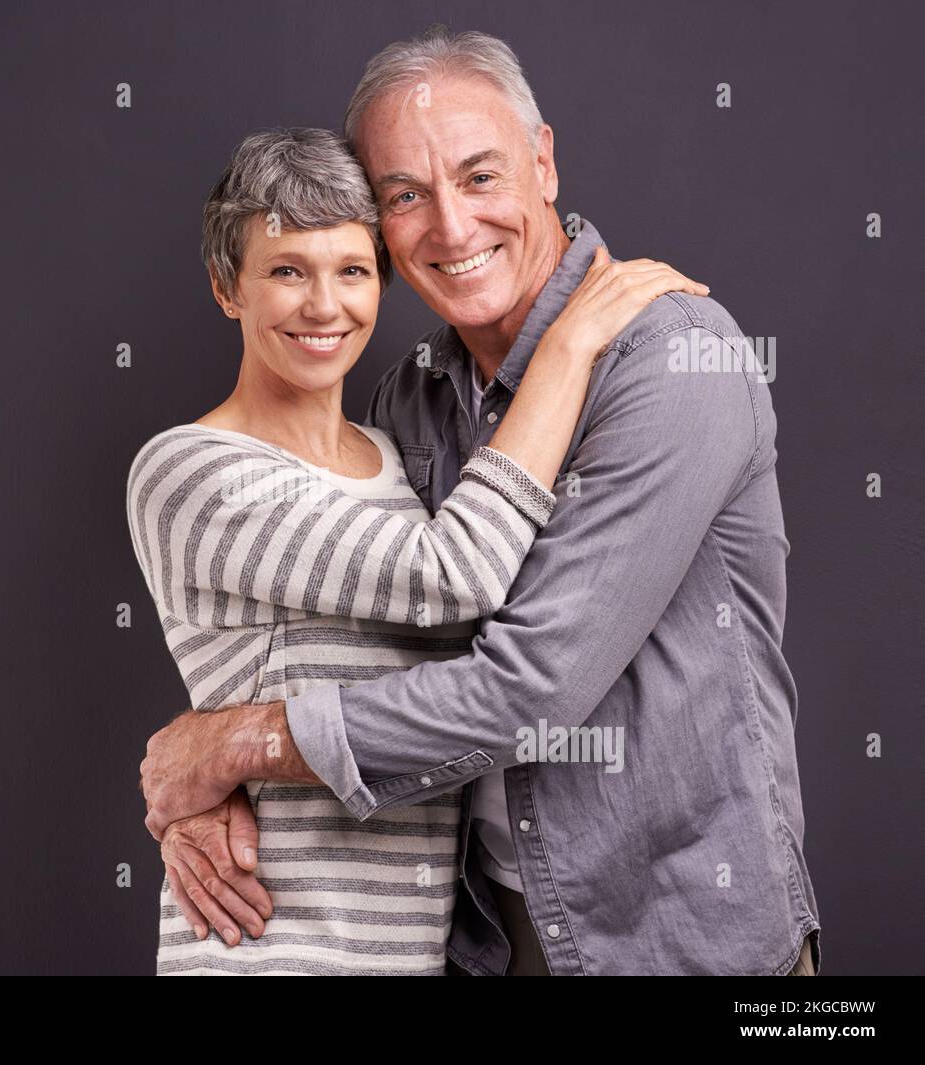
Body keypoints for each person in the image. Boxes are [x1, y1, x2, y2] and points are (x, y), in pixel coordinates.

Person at [139, 27, 820, 976]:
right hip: (486, 941)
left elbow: (531, 686)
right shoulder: (406, 402)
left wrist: (234, 745)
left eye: (481, 176)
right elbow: (367, 640)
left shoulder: (671, 359)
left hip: (680, 939)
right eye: (406, 196)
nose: (452, 228)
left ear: (544, 162)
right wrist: (194, 788)